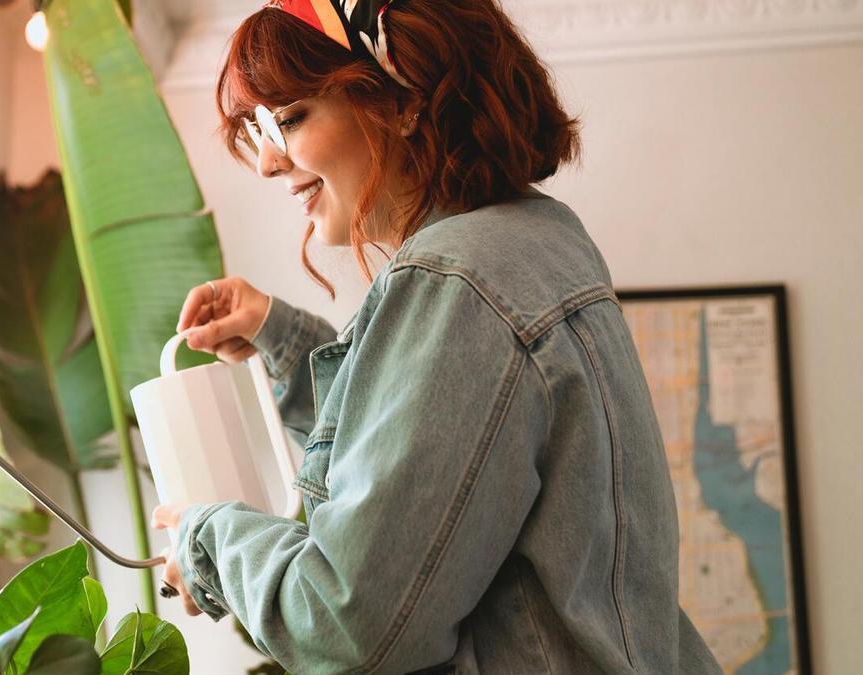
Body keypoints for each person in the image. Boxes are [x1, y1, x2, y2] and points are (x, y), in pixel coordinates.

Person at [149, 0, 721, 672]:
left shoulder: (458, 280)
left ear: (404, 99)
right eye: (261, 130)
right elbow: (440, 476)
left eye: (290, 118)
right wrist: (281, 338)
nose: (270, 164)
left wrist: (205, 537)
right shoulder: (536, 242)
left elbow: (346, 623)